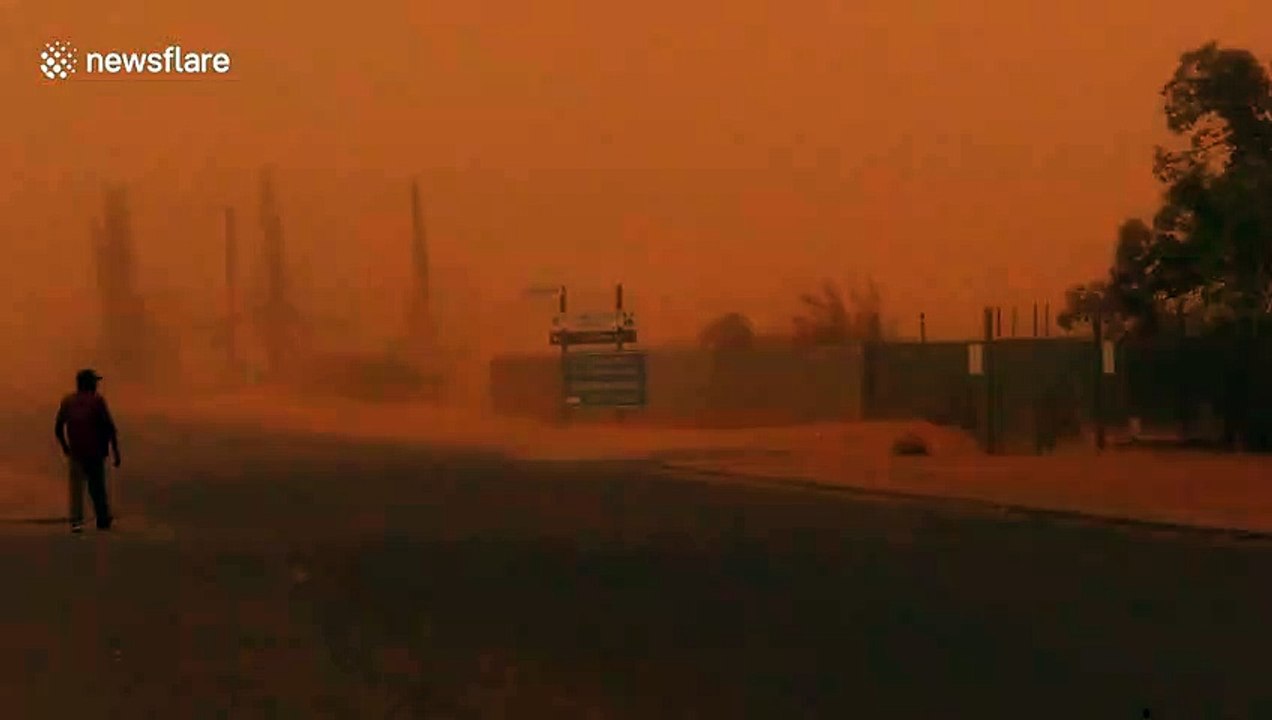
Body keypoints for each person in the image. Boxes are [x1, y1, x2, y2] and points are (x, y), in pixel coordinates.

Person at [54, 369, 121, 533]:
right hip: (95, 452)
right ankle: (102, 519)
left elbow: (58, 427)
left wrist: (65, 446)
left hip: (76, 452)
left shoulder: (68, 401)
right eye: (94, 382)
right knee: (97, 487)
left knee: (76, 489)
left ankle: (77, 522)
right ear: (89, 384)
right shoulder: (97, 401)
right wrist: (115, 451)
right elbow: (110, 428)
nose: (97, 385)